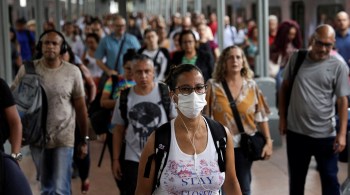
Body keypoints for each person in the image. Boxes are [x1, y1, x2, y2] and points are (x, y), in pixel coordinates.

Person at [135, 64, 242, 194]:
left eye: (199, 88)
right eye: (185, 89)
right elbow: (142, 191)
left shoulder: (221, 135)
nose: (193, 95)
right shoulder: (159, 140)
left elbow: (231, 182)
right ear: (173, 95)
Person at [12, 30, 89, 195]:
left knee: (60, 188)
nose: (50, 46)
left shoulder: (72, 72)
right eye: (46, 43)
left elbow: (81, 108)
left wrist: (84, 139)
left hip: (64, 138)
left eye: (55, 43)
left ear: (62, 48)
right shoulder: (28, 69)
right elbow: (14, 103)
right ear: (40, 46)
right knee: (47, 188)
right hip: (37, 138)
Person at [278, 24, 350, 195]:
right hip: (297, 133)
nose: (323, 49)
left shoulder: (338, 66)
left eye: (328, 45)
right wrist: (282, 118)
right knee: (296, 182)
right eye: (320, 43)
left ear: (333, 45)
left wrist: (341, 134)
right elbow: (284, 88)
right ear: (312, 40)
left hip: (325, 135)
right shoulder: (297, 58)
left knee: (330, 181)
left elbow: (342, 101)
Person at [204, 45, 273, 195]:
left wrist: (268, 141)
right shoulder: (213, 86)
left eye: (238, 57)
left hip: (244, 146)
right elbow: (205, 117)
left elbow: (261, 116)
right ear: (224, 62)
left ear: (243, 61)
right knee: (220, 187)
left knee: (243, 187)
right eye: (230, 57)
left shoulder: (251, 85)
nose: (234, 60)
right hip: (219, 146)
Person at [111, 55, 176, 194]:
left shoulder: (165, 93)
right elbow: (118, 129)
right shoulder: (124, 97)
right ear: (132, 74)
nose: (143, 76)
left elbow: (176, 126)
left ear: (154, 72)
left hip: (163, 156)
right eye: (139, 72)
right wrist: (116, 159)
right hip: (133, 158)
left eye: (147, 71)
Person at [100, 49, 136, 189]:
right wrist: (123, 102)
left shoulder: (143, 84)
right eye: (128, 68)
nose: (131, 72)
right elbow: (103, 102)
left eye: (135, 69)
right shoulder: (114, 80)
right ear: (123, 67)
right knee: (119, 171)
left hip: (135, 135)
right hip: (115, 132)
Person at [62, 45, 96, 194]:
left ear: (69, 54)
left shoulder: (78, 69)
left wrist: (90, 104)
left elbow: (91, 85)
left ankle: (84, 178)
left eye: (64, 53)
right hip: (63, 117)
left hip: (79, 114)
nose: (61, 57)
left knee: (82, 146)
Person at [95, 15, 141, 89]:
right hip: (113, 77)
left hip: (130, 79)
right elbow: (98, 60)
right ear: (112, 26)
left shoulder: (132, 39)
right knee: (110, 98)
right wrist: (108, 71)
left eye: (123, 25)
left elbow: (140, 57)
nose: (121, 28)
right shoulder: (106, 40)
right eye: (118, 26)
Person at [0, 78, 22, 158]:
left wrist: (16, 157)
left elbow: (15, 122)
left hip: (1, 158)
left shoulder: (1, 85)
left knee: (15, 170)